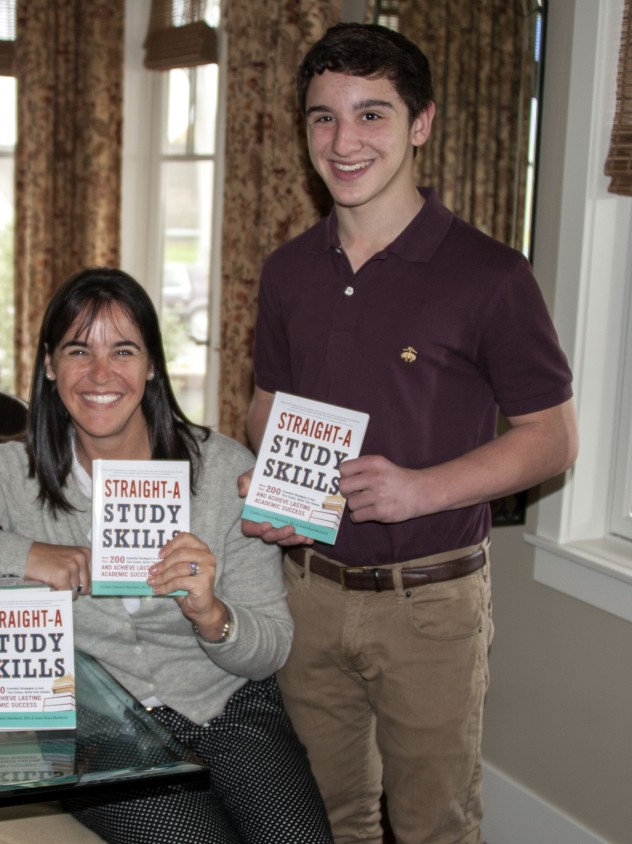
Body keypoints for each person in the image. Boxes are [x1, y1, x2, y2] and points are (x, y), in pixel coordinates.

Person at [0, 267, 333, 844]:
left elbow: (270, 646)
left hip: (227, 703)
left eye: (123, 351)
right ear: (50, 366)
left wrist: (213, 616)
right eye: (79, 350)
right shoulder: (15, 474)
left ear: (151, 366)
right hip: (96, 725)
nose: (101, 374)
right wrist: (22, 553)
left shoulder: (221, 469)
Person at [240, 22, 578, 844]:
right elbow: (263, 402)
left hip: (431, 605)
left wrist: (420, 488)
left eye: (372, 114)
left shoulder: (492, 276)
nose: (344, 141)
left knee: (435, 825)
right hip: (307, 592)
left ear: (421, 122)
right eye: (324, 117)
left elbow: (552, 438)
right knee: (323, 821)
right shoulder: (288, 270)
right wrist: (271, 476)